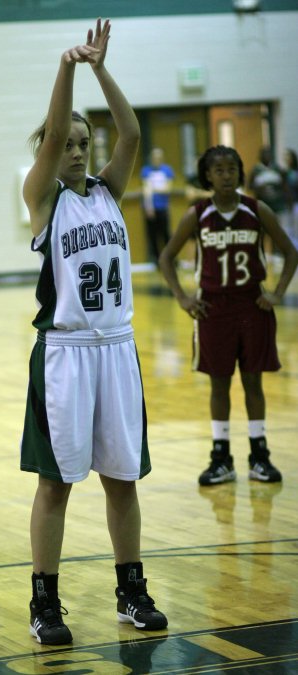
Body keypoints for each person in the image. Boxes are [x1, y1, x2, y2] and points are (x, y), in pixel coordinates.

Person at [20, 18, 167, 645]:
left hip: (117, 351)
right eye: (69, 142)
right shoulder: (43, 198)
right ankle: (44, 601)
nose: (77, 148)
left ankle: (130, 589)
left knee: (122, 478)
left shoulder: (109, 190)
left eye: (85, 141)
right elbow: (53, 130)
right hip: (65, 354)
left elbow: (131, 132)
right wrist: (66, 67)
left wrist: (101, 67)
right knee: (56, 483)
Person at [158, 145, 298, 487]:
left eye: (232, 169)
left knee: (254, 382)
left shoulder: (256, 209)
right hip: (213, 309)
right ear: (207, 175)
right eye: (218, 170)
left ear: (240, 173)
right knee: (219, 384)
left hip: (252, 305)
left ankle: (259, 455)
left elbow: (291, 252)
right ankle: (221, 457)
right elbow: (166, 259)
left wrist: (277, 293)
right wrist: (183, 297)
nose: (225, 175)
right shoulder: (198, 213)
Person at [141, 148, 174, 265]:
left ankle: (170, 258)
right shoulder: (146, 170)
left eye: (158, 158)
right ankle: (157, 260)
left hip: (163, 207)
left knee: (166, 234)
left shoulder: (167, 170)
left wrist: (153, 189)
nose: (156, 160)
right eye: (154, 158)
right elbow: (146, 190)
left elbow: (168, 189)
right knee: (152, 235)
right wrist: (149, 207)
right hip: (151, 208)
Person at [283, 148, 298, 246]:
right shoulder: (284, 173)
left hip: (296, 202)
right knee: (289, 229)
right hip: (287, 204)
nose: (287, 159)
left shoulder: (295, 173)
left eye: (289, 157)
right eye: (285, 157)